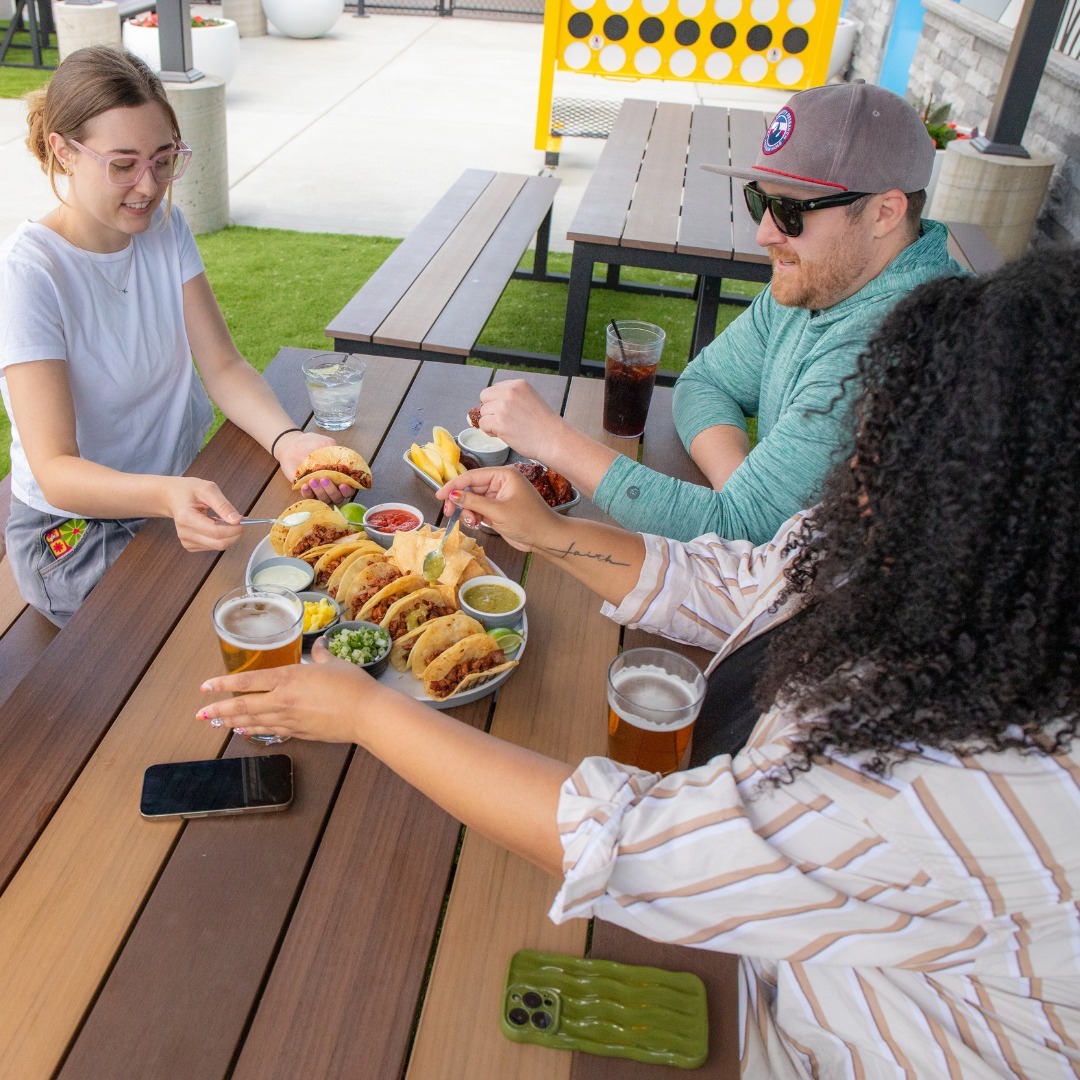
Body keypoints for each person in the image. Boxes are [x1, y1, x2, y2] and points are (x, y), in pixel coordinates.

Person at [201, 247, 1080, 1076]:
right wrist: (550, 534)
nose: (853, 469)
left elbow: (636, 850)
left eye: (889, 448)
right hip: (756, 935)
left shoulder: (962, 779)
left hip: (789, 1034)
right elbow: (744, 578)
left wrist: (364, 711)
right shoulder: (954, 581)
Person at [475, 81, 965, 545]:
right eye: (760, 201)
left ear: (885, 212)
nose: (767, 233)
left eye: (792, 211)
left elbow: (741, 536)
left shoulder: (892, 346)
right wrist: (741, 487)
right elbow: (704, 382)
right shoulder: (829, 276)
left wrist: (552, 439)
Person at [0, 47, 347, 626]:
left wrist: (289, 441)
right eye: (123, 164)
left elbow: (224, 367)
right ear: (63, 149)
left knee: (306, 590)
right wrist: (165, 496)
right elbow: (56, 468)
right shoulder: (30, 272)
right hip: (72, 533)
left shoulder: (164, 227)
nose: (148, 186)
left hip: (178, 493)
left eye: (164, 160)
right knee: (212, 626)